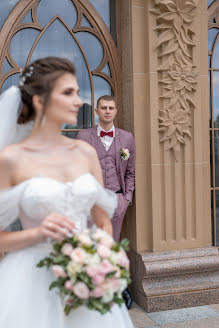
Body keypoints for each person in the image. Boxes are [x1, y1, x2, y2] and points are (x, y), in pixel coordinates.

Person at [0, 57, 134, 328]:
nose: (79, 101)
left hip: (84, 280)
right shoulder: (11, 159)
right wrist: (36, 234)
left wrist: (100, 262)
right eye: (68, 92)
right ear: (40, 101)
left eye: (77, 92)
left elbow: (102, 221)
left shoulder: (84, 153)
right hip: (31, 282)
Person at [76, 95, 135, 309]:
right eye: (103, 108)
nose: (107, 111)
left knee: (114, 246)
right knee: (93, 246)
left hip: (117, 200)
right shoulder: (84, 136)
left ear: (116, 111)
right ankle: (91, 292)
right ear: (97, 111)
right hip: (93, 202)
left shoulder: (127, 138)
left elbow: (131, 172)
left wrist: (126, 198)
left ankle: (117, 290)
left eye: (111, 108)